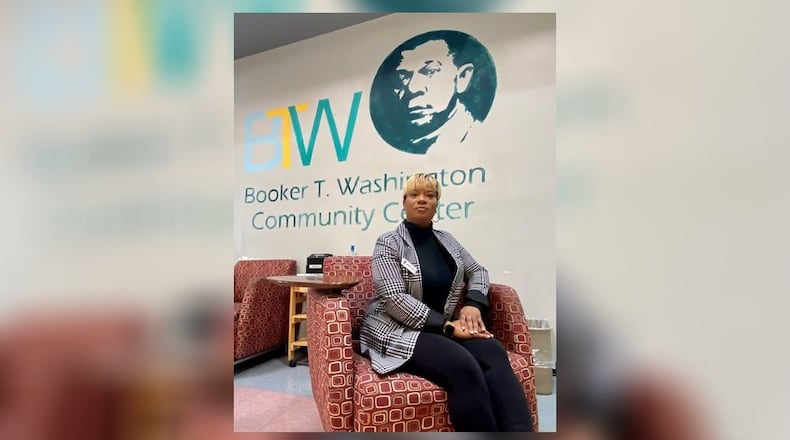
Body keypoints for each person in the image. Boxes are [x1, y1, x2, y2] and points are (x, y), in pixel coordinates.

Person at [359, 173, 533, 432]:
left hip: (442, 327)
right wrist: (448, 326)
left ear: (437, 203)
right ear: (403, 202)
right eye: (415, 194)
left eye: (430, 195)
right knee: (462, 366)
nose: (422, 200)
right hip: (397, 329)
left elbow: (478, 271)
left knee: (494, 351)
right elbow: (393, 298)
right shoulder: (389, 242)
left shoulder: (447, 240)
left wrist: (473, 303)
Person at [369, 30, 497, 155]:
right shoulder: (404, 144)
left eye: (430, 71)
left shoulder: (476, 136)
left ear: (462, 77)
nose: (412, 89)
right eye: (403, 77)